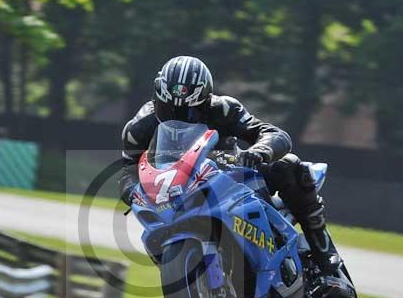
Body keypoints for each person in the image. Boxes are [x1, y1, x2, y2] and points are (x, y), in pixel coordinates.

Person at [119, 55, 341, 279]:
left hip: (230, 178)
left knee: (290, 166)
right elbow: (128, 172)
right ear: (157, 97)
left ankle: (322, 248)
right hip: (176, 193)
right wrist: (135, 193)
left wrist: (258, 152)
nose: (180, 118)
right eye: (169, 109)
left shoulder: (223, 109)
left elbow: (273, 134)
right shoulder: (138, 128)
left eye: (190, 112)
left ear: (206, 100)